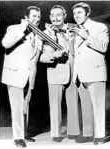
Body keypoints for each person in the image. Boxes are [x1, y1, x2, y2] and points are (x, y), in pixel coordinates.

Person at [1, 6, 42, 147]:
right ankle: (18, 137)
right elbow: (5, 43)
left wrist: (54, 56)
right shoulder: (14, 28)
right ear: (26, 17)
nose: (36, 19)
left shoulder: (38, 35)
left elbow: (38, 57)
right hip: (14, 74)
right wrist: (22, 30)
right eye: (34, 16)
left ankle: (24, 134)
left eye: (38, 17)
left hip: (30, 75)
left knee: (25, 107)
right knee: (17, 107)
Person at [71, 2, 109, 144]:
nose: (76, 16)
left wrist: (87, 36)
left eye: (79, 13)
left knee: (98, 107)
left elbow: (103, 47)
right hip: (80, 74)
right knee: (85, 106)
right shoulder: (76, 29)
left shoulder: (99, 27)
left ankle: (99, 136)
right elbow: (77, 54)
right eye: (75, 14)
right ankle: (87, 133)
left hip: (95, 72)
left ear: (88, 13)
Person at [40, 5, 78, 142]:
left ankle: (73, 132)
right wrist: (53, 55)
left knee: (73, 102)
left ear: (64, 16)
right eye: (52, 15)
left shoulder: (74, 29)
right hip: (55, 70)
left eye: (59, 15)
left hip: (73, 70)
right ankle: (56, 134)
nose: (55, 18)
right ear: (50, 17)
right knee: (55, 104)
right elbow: (40, 57)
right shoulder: (44, 33)